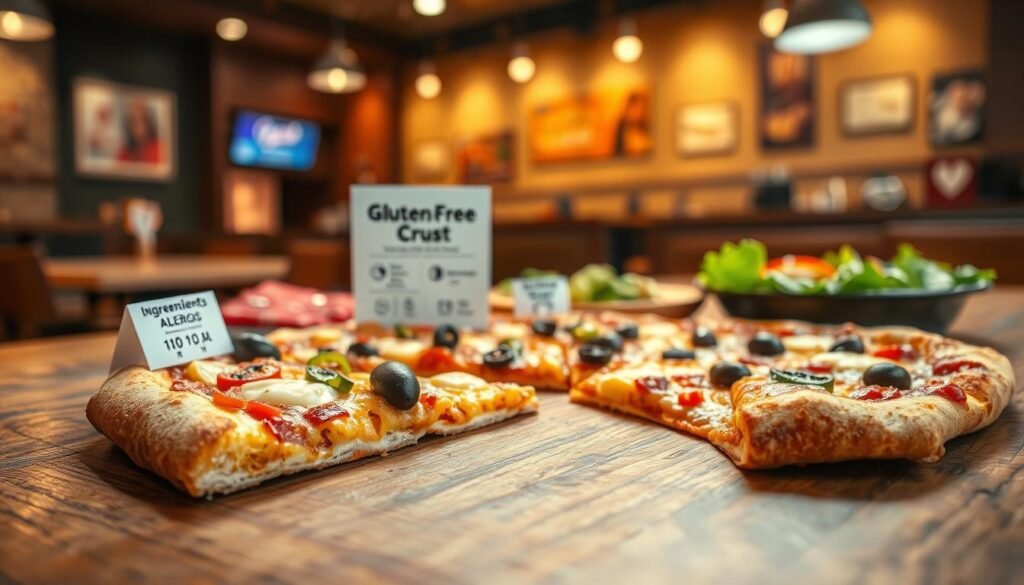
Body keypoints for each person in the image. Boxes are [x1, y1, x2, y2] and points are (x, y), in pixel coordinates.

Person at [117, 99, 163, 163]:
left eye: (141, 119)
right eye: (133, 120)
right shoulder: (124, 153)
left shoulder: (160, 149)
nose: (138, 125)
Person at [613, 91, 652, 157]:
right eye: (635, 107)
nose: (638, 112)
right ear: (629, 107)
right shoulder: (622, 126)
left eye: (641, 108)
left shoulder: (645, 125)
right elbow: (619, 151)